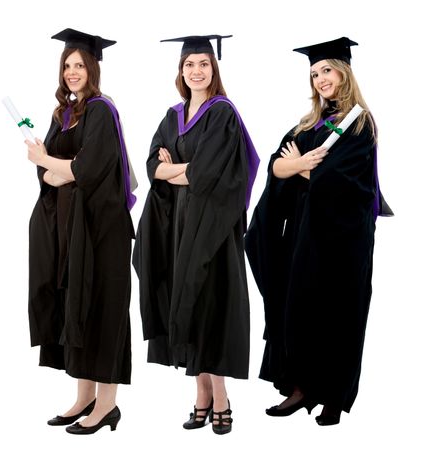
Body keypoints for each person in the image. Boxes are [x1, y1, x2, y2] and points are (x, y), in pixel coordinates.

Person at [245, 37, 393, 426]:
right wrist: (297, 167)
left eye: (326, 70)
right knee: (300, 308)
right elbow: (276, 169)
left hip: (344, 240)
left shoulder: (359, 123)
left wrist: (302, 168)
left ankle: (334, 396)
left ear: (343, 72)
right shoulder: (308, 125)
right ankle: (301, 387)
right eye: (314, 74)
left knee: (340, 313)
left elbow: (345, 183)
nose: (320, 79)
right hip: (304, 236)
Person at [132, 35, 259, 435]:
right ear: (181, 71)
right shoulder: (173, 116)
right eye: (190, 64)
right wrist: (175, 170)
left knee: (209, 308)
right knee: (183, 302)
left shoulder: (222, 114)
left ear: (214, 70)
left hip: (212, 231)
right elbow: (153, 165)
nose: (197, 71)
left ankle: (220, 398)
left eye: (204, 64)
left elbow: (206, 174)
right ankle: (201, 393)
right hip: (177, 228)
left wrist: (178, 168)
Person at [26, 28, 136, 435]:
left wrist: (47, 160)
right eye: (67, 65)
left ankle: (107, 405)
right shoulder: (65, 114)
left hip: (102, 230)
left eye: (79, 65)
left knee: (103, 308)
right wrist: (53, 166)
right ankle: (83, 396)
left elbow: (84, 170)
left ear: (93, 68)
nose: (72, 72)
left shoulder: (102, 111)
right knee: (77, 305)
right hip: (71, 230)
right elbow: (50, 174)